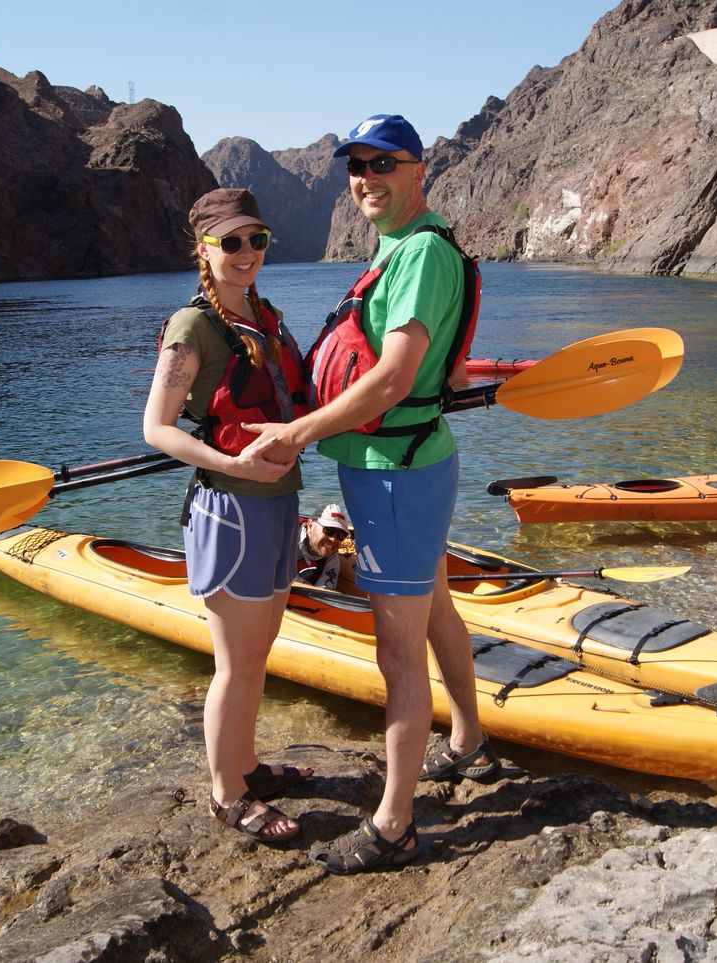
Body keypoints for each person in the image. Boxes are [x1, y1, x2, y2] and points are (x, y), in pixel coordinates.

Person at [245, 114, 497, 874]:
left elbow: (389, 379)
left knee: (398, 652)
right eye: (356, 166)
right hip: (402, 466)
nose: (366, 178)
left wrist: (297, 433)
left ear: (419, 169)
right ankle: (469, 742)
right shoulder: (409, 245)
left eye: (383, 163)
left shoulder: (419, 253)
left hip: (397, 475)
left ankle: (394, 824)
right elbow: (434, 370)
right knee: (437, 607)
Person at [141, 187, 313, 844]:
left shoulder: (265, 317)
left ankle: (246, 766)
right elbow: (157, 428)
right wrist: (233, 464)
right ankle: (226, 794)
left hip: (280, 502)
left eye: (256, 240)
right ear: (204, 247)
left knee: (258, 654)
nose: (246, 252)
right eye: (231, 241)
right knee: (236, 665)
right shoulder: (192, 327)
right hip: (231, 511)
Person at [296, 503, 348, 589]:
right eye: (329, 530)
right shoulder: (287, 538)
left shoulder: (332, 557)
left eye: (341, 535)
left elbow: (324, 590)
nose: (333, 539)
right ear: (310, 526)